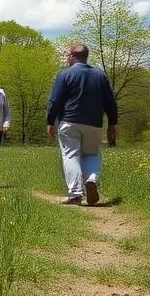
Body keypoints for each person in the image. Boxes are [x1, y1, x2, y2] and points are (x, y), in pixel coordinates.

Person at [46, 44, 118, 205]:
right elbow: (110, 102)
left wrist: (50, 121)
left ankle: (75, 193)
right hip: (94, 123)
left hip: (69, 121)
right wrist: (113, 122)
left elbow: (55, 100)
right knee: (91, 154)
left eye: (67, 55)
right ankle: (91, 179)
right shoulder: (100, 75)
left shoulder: (65, 74)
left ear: (72, 56)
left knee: (71, 155)